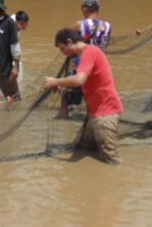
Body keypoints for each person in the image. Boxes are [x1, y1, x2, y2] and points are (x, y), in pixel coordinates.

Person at [45, 28, 124, 164]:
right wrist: (61, 85)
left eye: (63, 49)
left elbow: (79, 80)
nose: (63, 53)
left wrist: (56, 81)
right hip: (94, 113)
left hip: (105, 114)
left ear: (69, 42)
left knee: (112, 160)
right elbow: (81, 83)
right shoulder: (82, 57)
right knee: (86, 148)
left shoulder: (89, 52)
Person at [60, 0, 112, 118]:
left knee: (66, 99)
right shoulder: (108, 26)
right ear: (97, 9)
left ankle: (63, 122)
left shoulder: (80, 24)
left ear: (85, 9)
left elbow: (65, 39)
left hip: (80, 66)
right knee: (92, 98)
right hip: (99, 67)